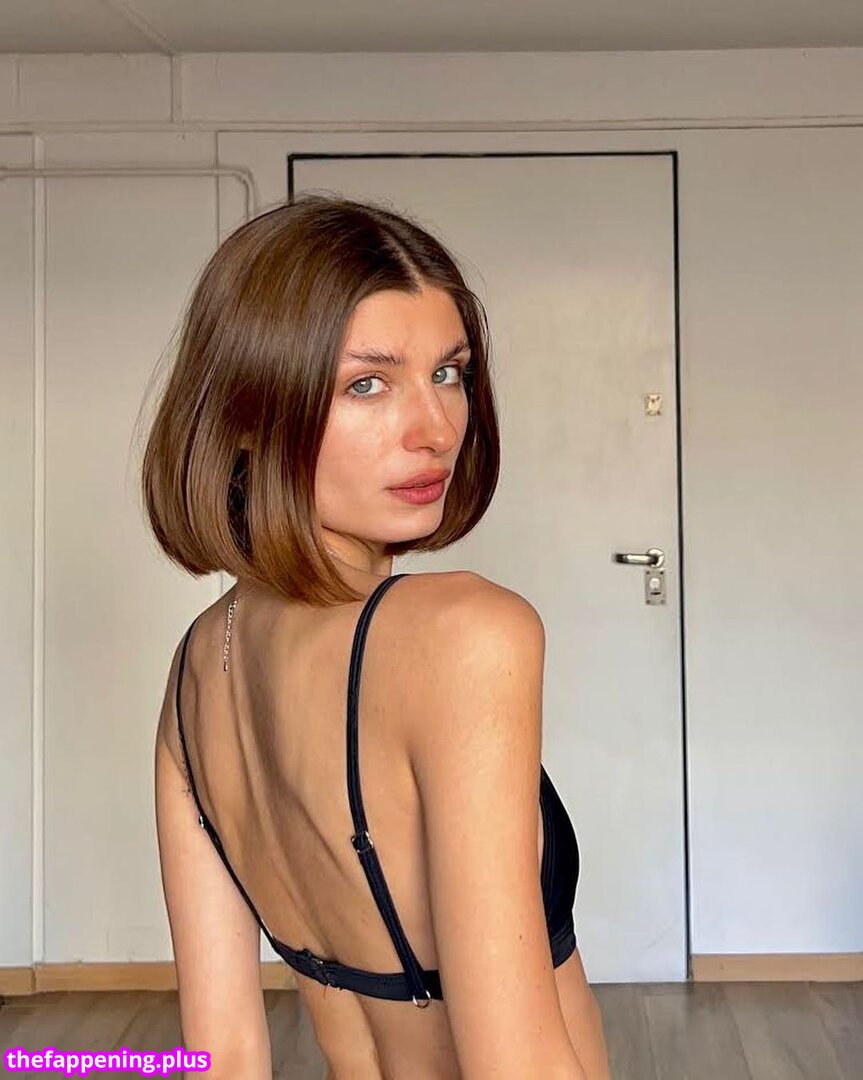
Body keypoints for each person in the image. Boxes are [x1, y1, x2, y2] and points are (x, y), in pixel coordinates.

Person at [142, 193, 611, 1079]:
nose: (435, 430)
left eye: (449, 373)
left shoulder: (199, 666)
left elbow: (221, 1056)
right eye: (366, 383)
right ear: (247, 413)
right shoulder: (466, 633)